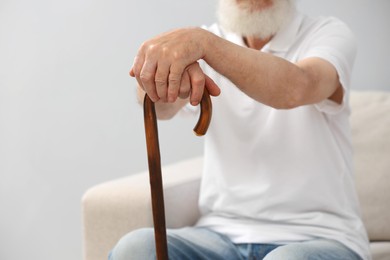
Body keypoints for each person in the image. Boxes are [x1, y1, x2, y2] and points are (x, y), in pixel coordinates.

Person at [110, 0, 371, 259]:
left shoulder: (327, 34)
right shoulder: (203, 44)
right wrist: (155, 77)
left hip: (319, 236)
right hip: (220, 235)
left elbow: (299, 86)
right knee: (134, 249)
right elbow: (161, 110)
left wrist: (206, 44)